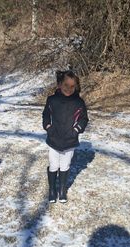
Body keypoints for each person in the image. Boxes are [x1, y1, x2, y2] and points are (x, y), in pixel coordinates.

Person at [42, 70, 89, 203]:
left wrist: (76, 130)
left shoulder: (79, 102)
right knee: (53, 164)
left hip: (70, 140)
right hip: (54, 139)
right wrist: (48, 127)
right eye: (66, 85)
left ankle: (62, 190)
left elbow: (84, 119)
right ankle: (52, 190)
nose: (69, 89)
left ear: (76, 87)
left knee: (65, 165)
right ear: (60, 85)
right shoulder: (52, 100)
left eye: (72, 86)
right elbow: (46, 115)